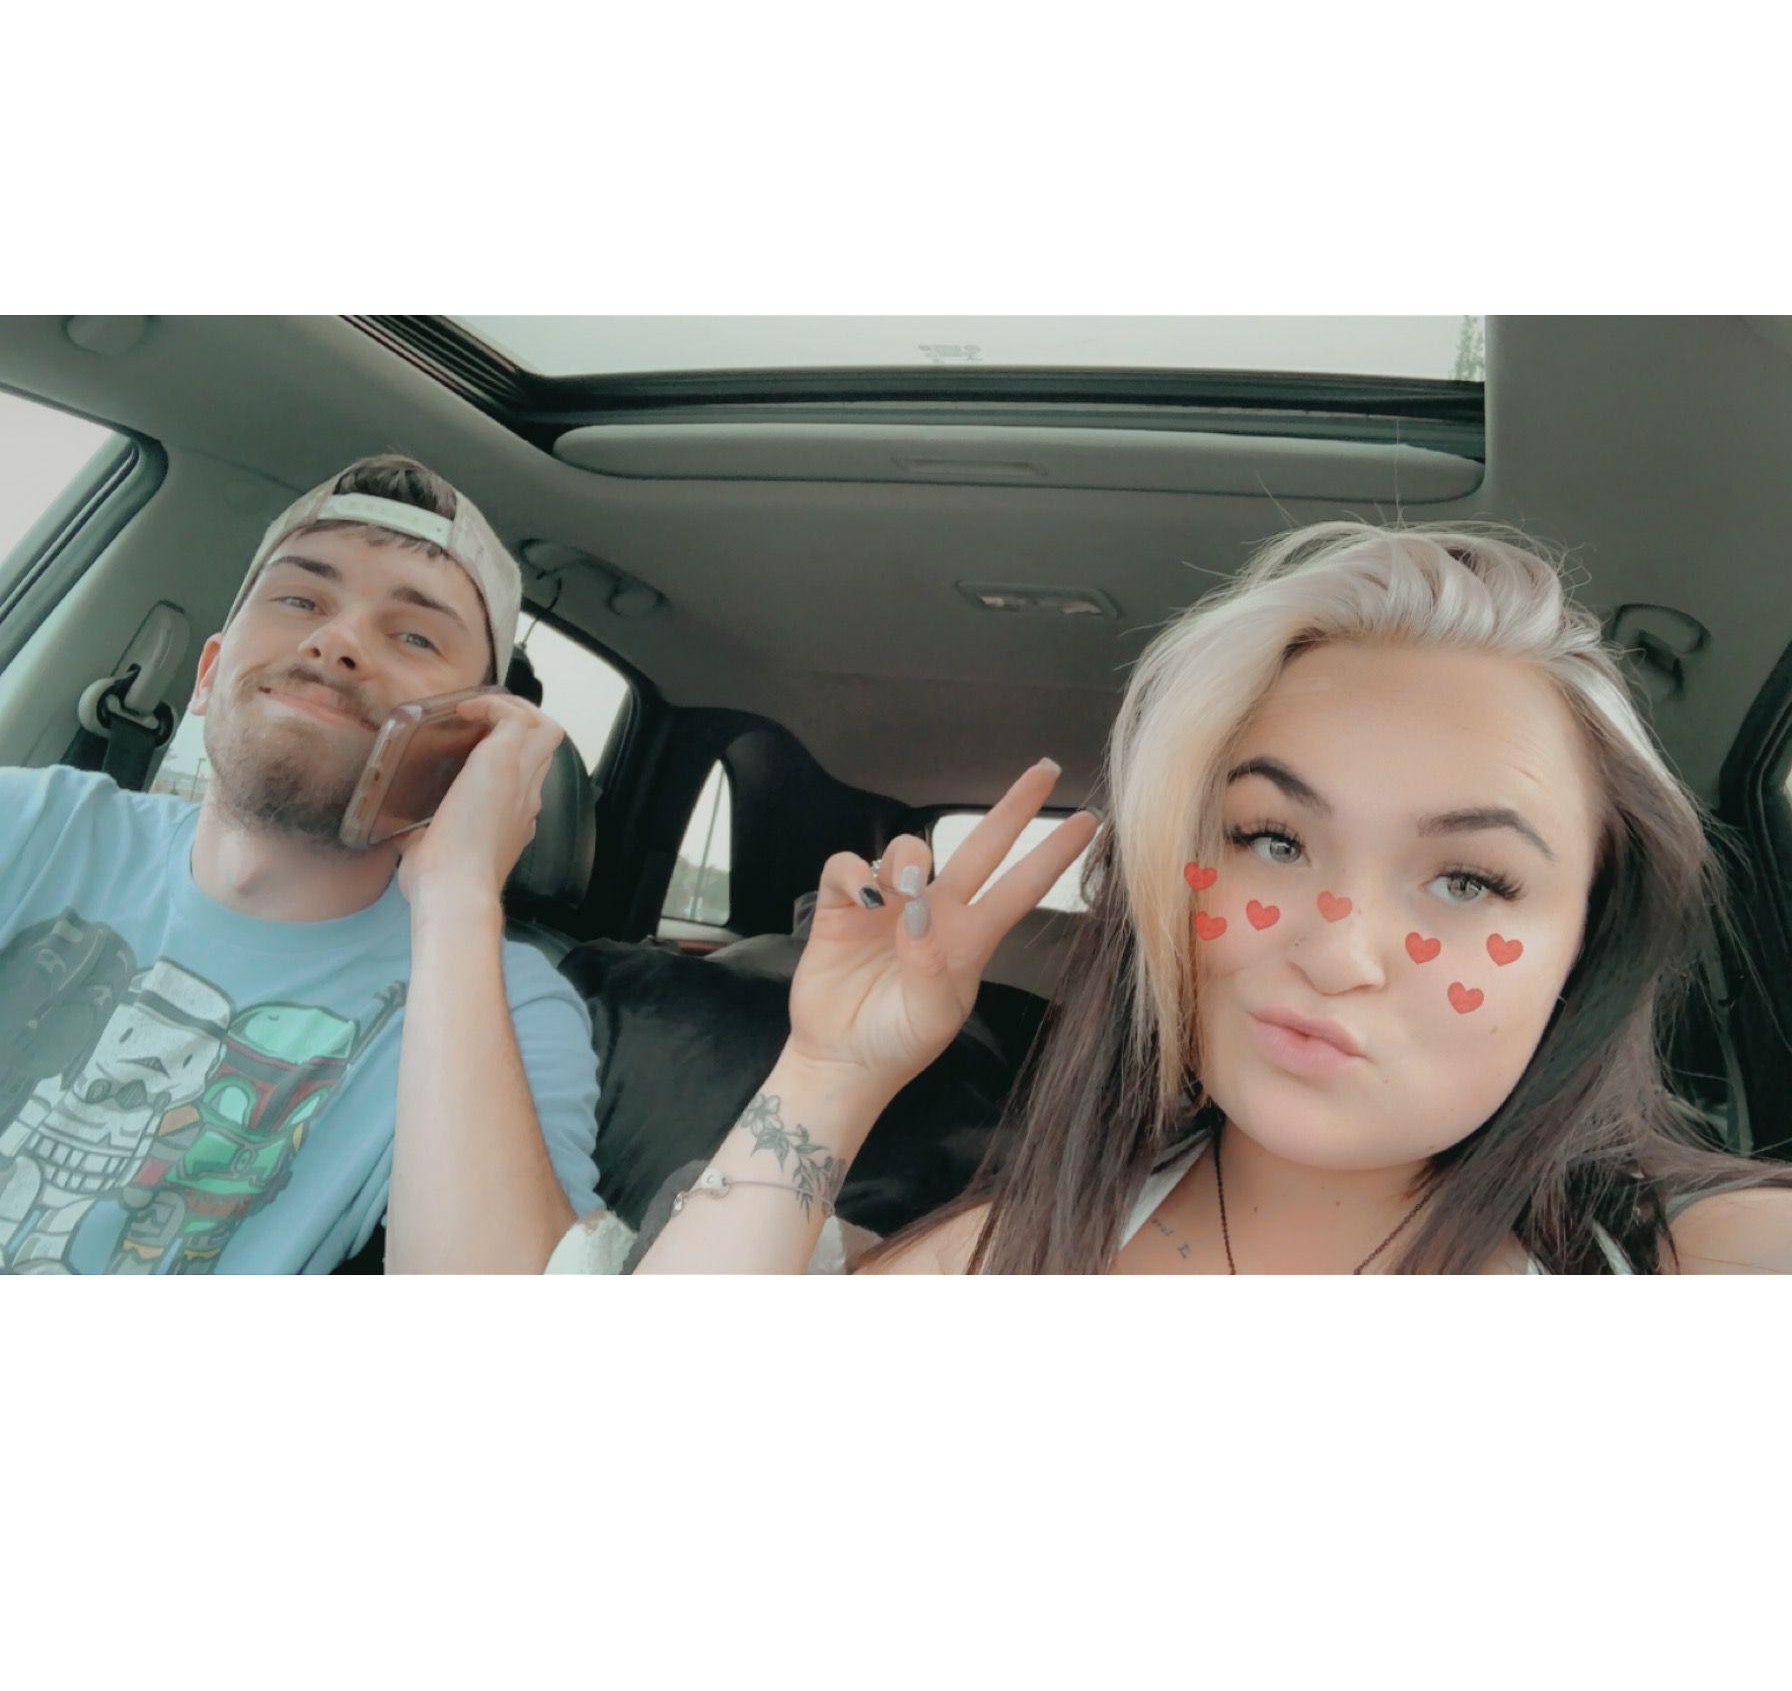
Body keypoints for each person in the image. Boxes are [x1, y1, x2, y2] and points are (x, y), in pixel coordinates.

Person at [623, 518, 1792, 1274]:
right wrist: (830, 1071)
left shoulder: (1693, 1256)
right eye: (1272, 840)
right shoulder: (1012, 1252)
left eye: (1468, 879)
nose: (1336, 953)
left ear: (1587, 941)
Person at [0, 454, 602, 1273]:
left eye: (415, 635)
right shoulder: (34, 823)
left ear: (468, 748)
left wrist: (460, 895)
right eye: (299, 600)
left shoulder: (509, 1005)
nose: (337, 640)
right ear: (209, 675)